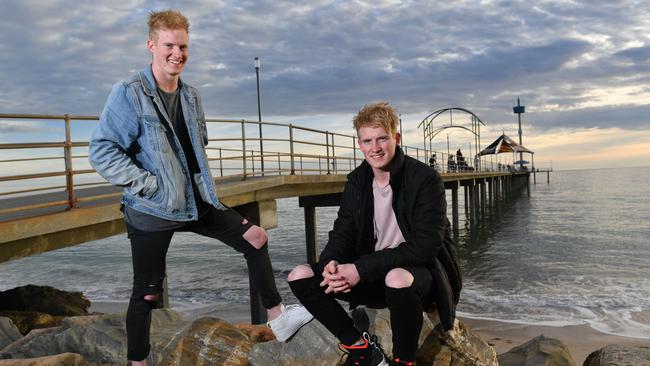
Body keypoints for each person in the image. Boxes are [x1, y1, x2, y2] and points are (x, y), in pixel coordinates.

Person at [88, 10, 312, 365]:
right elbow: (101, 150)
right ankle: (138, 361)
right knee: (146, 293)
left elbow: (198, 141)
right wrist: (148, 184)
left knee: (256, 237)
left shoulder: (191, 96)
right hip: (153, 209)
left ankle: (278, 317)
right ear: (151, 46)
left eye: (183, 46)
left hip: (195, 200)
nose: (177, 53)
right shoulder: (129, 93)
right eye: (168, 45)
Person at [288, 102, 462, 366]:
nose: (375, 148)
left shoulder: (425, 179)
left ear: (396, 138)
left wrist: (359, 269)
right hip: (372, 275)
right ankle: (360, 348)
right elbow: (343, 231)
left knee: (397, 277)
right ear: (359, 144)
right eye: (368, 141)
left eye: (382, 138)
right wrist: (330, 265)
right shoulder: (357, 181)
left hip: (417, 276)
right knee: (300, 275)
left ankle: (404, 361)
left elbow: (426, 246)